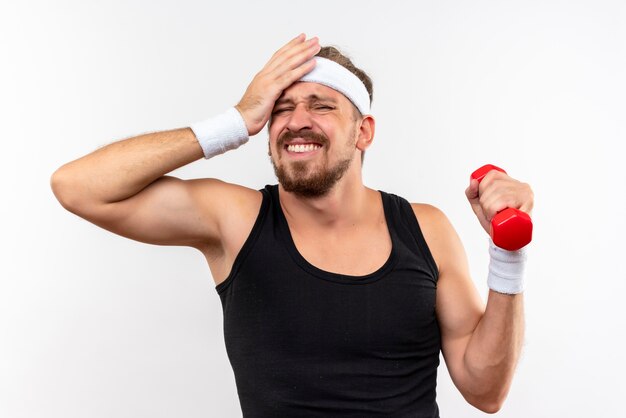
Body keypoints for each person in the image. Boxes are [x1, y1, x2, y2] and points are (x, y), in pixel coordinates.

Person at [51, 34, 533, 417]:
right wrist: (236, 120)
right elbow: (78, 186)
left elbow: (485, 390)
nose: (296, 120)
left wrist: (508, 257)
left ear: (363, 130)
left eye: (321, 105)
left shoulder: (426, 229)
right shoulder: (235, 221)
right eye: (282, 108)